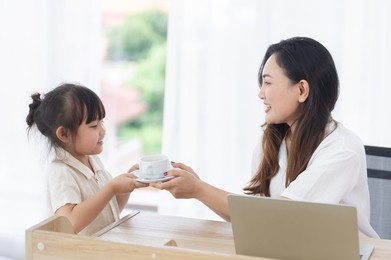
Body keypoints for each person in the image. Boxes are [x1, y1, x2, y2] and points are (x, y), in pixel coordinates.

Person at [151, 36, 379, 238]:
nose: (261, 94)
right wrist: (198, 189)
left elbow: (280, 216)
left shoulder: (342, 149)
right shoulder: (272, 140)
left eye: (268, 83)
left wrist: (199, 189)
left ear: (301, 90)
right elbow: (257, 219)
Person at [26, 83, 147, 235]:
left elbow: (109, 209)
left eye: (101, 122)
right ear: (64, 134)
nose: (103, 131)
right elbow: (69, 223)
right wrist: (111, 188)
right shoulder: (60, 172)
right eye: (94, 125)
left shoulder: (93, 161)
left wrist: (128, 184)